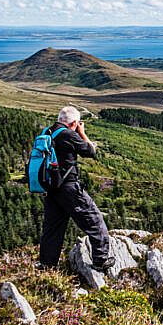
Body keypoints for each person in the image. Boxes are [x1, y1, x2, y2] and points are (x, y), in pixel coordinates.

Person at [38, 106, 114, 272]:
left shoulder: (47, 132)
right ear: (74, 123)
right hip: (69, 188)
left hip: (52, 189)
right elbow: (90, 151)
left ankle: (46, 265)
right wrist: (81, 132)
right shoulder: (69, 135)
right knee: (94, 220)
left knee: (53, 228)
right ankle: (101, 260)